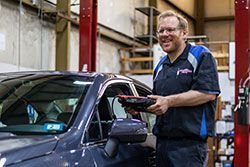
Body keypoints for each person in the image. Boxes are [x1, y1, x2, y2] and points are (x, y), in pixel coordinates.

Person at [127, 10, 220, 167]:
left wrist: (168, 101)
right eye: (161, 31)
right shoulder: (160, 66)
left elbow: (207, 93)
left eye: (170, 30)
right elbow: (160, 103)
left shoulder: (200, 55)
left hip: (189, 147)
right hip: (162, 144)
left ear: (184, 33)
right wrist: (141, 107)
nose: (164, 34)